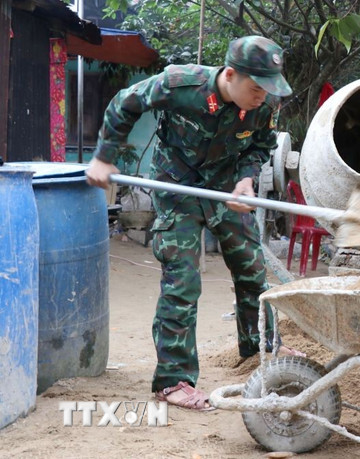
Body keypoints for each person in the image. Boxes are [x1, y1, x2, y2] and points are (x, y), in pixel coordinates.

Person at [86, 35, 301, 411]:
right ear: (230, 75)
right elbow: (125, 103)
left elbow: (260, 145)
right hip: (177, 187)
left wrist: (246, 180)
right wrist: (104, 157)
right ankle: (172, 381)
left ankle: (260, 346)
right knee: (183, 280)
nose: (262, 97)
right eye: (256, 88)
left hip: (225, 187)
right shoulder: (180, 84)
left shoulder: (264, 103)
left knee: (252, 270)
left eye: (268, 89)